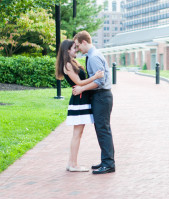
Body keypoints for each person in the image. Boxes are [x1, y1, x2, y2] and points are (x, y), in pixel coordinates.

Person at [55, 39, 104, 172]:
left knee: (78, 133)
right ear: (67, 50)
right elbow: (79, 82)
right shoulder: (67, 65)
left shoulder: (72, 63)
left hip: (81, 98)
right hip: (79, 100)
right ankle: (73, 164)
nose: (75, 50)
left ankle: (71, 163)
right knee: (77, 133)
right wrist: (96, 77)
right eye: (73, 48)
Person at [72, 31, 115, 174]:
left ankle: (108, 163)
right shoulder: (92, 55)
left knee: (103, 130)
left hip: (101, 96)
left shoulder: (93, 57)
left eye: (78, 46)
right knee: (102, 129)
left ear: (84, 42)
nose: (78, 49)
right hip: (101, 97)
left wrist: (82, 88)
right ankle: (106, 161)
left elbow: (99, 81)